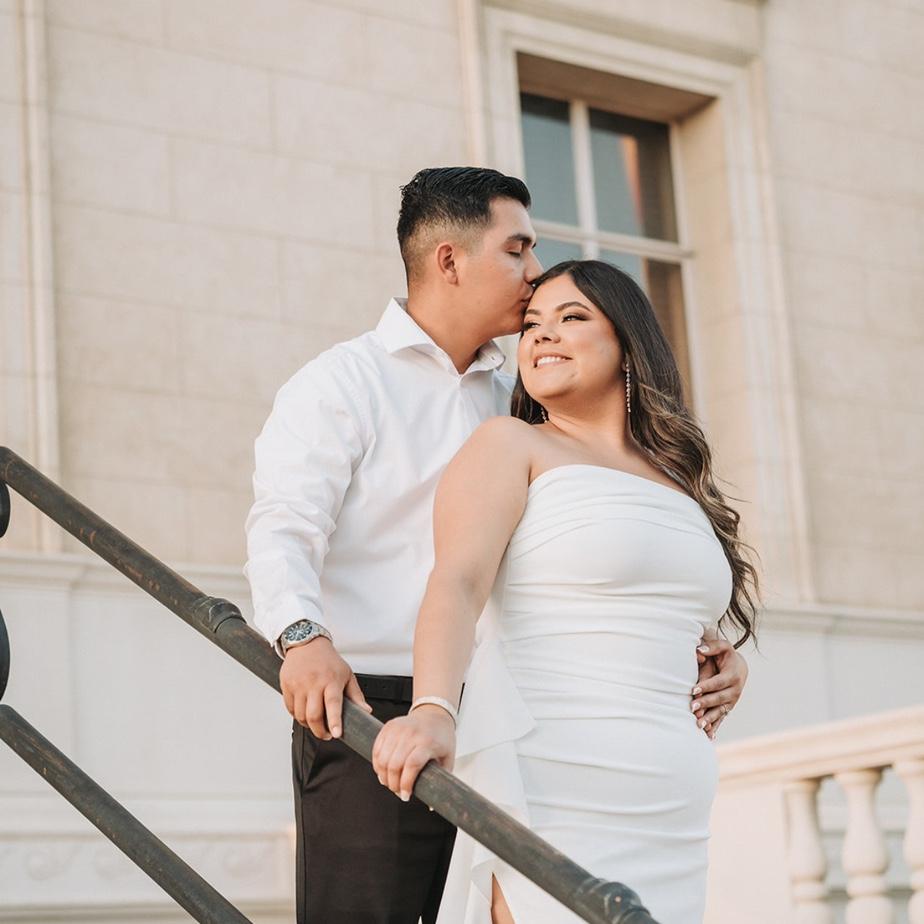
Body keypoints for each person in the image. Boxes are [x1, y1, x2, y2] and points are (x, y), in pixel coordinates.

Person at [245, 168, 749, 924]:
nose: (533, 272)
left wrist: (699, 643)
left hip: (507, 712)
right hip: (378, 702)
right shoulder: (344, 382)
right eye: (518, 251)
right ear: (449, 259)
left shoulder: (520, 398)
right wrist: (300, 635)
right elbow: (285, 522)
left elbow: (582, 556)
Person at [372, 259, 760, 924]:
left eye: (571, 317)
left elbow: (665, 606)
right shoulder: (510, 444)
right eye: (531, 324)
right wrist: (433, 708)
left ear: (627, 343)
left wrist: (729, 660)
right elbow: (457, 583)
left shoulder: (679, 477)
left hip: (671, 800)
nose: (542, 335)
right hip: (551, 775)